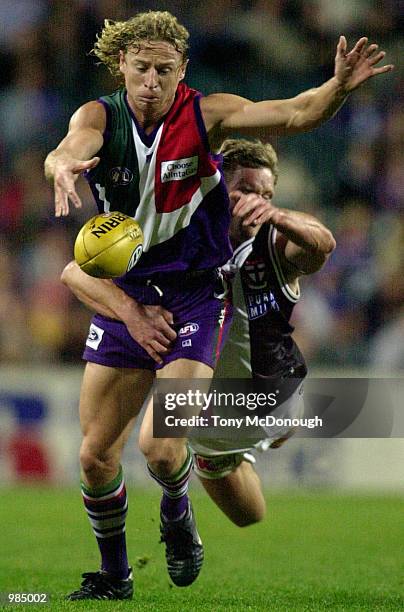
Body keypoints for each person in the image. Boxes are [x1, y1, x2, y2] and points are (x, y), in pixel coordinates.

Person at [44, 10, 392, 600]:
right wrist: (61, 165)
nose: (151, 79)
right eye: (141, 66)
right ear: (120, 65)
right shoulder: (97, 116)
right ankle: (115, 576)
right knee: (95, 458)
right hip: (129, 289)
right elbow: (69, 148)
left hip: (195, 295)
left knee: (161, 444)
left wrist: (335, 88)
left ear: (181, 71)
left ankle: (178, 515)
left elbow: (295, 112)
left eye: (164, 68)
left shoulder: (209, 115)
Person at [188, 138, 336, 527]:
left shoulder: (277, 241)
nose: (258, 200)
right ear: (218, 185)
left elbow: (322, 244)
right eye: (247, 189)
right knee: (248, 516)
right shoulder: (187, 234)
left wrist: (279, 215)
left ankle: (176, 508)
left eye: (267, 193)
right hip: (210, 402)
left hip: (272, 393)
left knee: (165, 436)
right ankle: (210, 461)